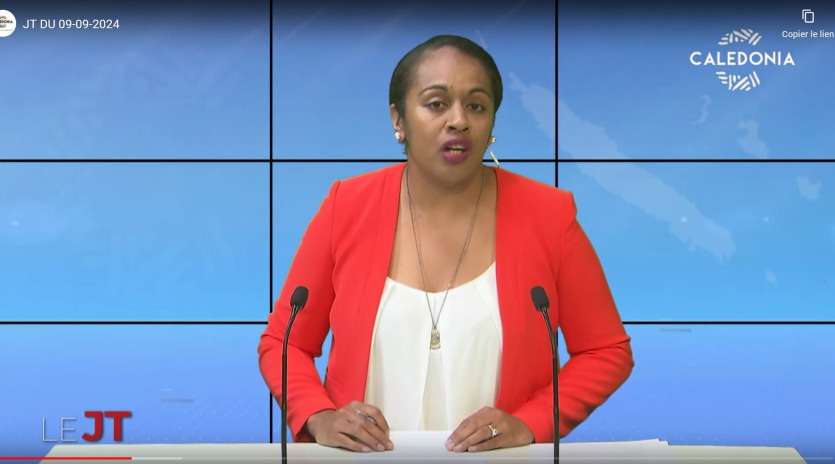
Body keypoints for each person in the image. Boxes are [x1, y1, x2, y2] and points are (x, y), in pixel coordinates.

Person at [258, 34, 634, 454]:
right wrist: (318, 415)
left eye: (476, 106)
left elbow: (606, 351)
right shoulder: (347, 206)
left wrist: (532, 422)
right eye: (436, 104)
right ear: (398, 119)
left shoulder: (548, 215)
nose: (459, 120)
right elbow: (283, 344)